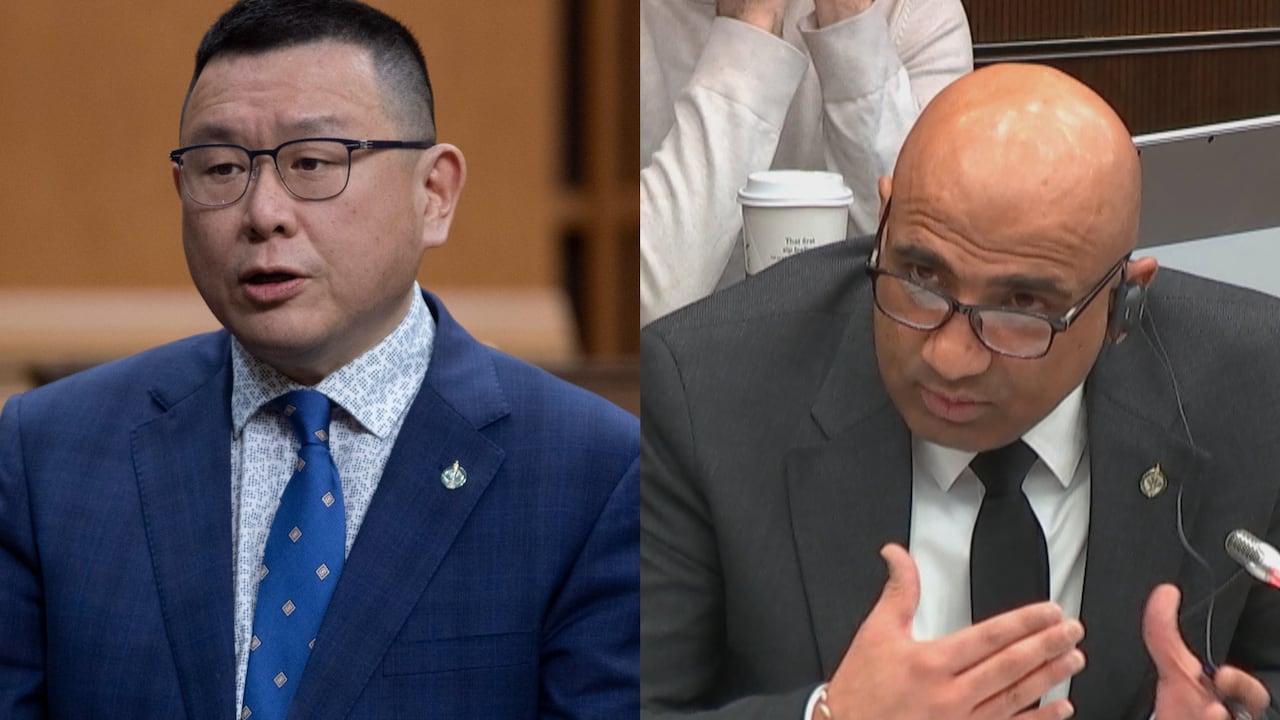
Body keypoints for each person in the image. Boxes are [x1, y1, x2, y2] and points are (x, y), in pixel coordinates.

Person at [0, 1, 639, 718]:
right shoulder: (44, 456)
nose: (262, 211)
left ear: (434, 194)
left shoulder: (593, 473)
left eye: (312, 162)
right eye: (221, 168)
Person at [641, 63, 1279, 719]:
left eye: (1022, 307)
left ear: (1123, 303)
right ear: (884, 219)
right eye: (921, 277)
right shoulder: (709, 391)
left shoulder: (1252, 383)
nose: (950, 357)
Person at [640, 0, 972, 324]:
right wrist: (751, 30)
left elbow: (918, 288)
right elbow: (645, 309)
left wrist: (850, 23)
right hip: (681, 363)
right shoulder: (607, 25)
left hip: (856, 363)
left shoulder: (921, 12)